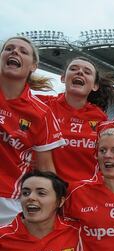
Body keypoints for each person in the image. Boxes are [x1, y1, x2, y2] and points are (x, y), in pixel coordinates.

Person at [0, 36, 64, 225]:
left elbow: (45, 168)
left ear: (33, 66)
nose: (14, 52)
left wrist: (50, 207)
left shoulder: (41, 112)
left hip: (9, 202)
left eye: (23, 51)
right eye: (9, 48)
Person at [40, 57, 112, 186]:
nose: (79, 72)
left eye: (87, 72)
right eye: (73, 69)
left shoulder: (101, 119)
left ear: (95, 86)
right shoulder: (42, 106)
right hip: (48, 191)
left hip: (85, 194)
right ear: (63, 78)